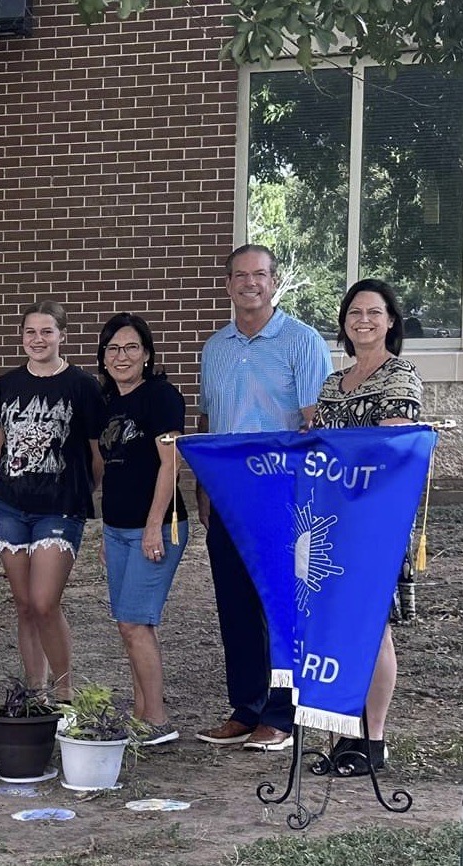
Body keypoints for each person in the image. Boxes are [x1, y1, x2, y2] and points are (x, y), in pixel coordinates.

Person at [196, 244, 331, 752]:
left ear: (274, 282)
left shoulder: (301, 341)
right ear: (227, 285)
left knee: (279, 604)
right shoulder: (215, 349)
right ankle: (245, 707)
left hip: (283, 494)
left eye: (260, 275)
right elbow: (208, 423)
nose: (249, 283)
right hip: (229, 495)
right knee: (234, 604)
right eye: (239, 275)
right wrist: (203, 486)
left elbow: (314, 423)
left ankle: (281, 714)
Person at [310, 278, 421, 777]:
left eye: (374, 312)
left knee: (371, 630)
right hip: (330, 521)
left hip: (376, 522)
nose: (364, 321)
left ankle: (371, 740)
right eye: (355, 312)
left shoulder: (402, 376)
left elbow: (391, 451)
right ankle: (340, 736)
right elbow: (317, 450)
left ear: (390, 321)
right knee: (335, 631)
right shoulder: (333, 384)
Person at [0, 299, 104, 703]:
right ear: (22, 338)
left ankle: (64, 690)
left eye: (47, 331)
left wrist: (82, 491)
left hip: (60, 505)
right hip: (10, 506)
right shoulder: (5, 385)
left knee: (44, 601)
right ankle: (33, 690)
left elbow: (95, 453)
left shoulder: (83, 386)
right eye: (31, 332)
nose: (38, 339)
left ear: (62, 336)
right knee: (23, 604)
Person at [94, 313, 187, 746]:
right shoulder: (108, 401)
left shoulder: (161, 397)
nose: (122, 356)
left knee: (136, 622)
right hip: (116, 529)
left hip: (155, 527)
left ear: (147, 354)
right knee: (128, 624)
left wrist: (153, 527)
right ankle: (139, 714)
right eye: (113, 348)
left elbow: (170, 466)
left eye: (131, 347)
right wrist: (104, 532)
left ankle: (157, 721)